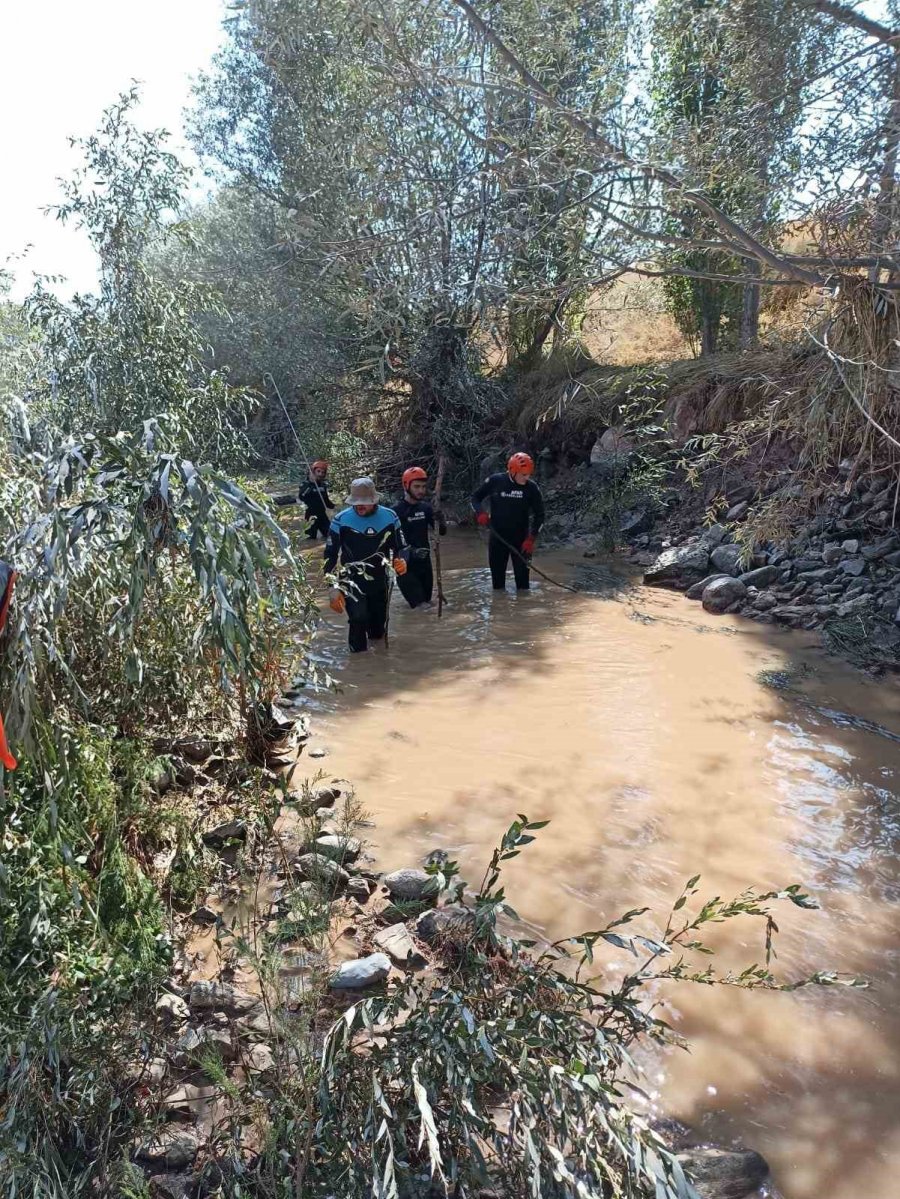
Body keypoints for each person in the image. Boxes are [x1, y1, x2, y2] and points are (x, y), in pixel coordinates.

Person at [324, 477, 408, 652]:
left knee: (378, 632)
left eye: (365, 502)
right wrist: (332, 587)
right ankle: (357, 664)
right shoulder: (341, 520)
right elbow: (330, 556)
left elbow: (402, 547)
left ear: (374, 500)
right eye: (356, 502)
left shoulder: (390, 517)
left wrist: (402, 561)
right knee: (358, 618)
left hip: (379, 579)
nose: (360, 506)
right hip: (351, 579)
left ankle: (377, 668)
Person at [471, 452, 545, 591]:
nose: (526, 477)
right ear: (512, 471)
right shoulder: (496, 481)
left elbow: (540, 516)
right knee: (497, 588)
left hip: (522, 543)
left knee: (523, 588)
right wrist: (480, 513)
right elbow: (475, 498)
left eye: (529, 474)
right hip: (498, 539)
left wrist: (531, 539)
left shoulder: (532, 488)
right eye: (523, 474)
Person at [393, 466, 447, 609]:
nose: (421, 491)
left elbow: (441, 532)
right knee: (421, 608)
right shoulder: (396, 511)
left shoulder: (426, 508)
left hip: (425, 565)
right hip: (404, 567)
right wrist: (411, 551)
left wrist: (440, 519)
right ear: (406, 485)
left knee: (427, 604)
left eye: (423, 487)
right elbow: (390, 542)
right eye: (417, 486)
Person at [298, 460, 335, 540]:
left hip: (322, 516)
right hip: (310, 517)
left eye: (322, 472)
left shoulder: (323, 485)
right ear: (313, 471)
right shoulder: (305, 484)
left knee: (331, 536)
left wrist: (334, 507)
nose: (320, 474)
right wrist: (311, 484)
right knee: (310, 540)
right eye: (318, 471)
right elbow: (301, 497)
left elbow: (326, 500)